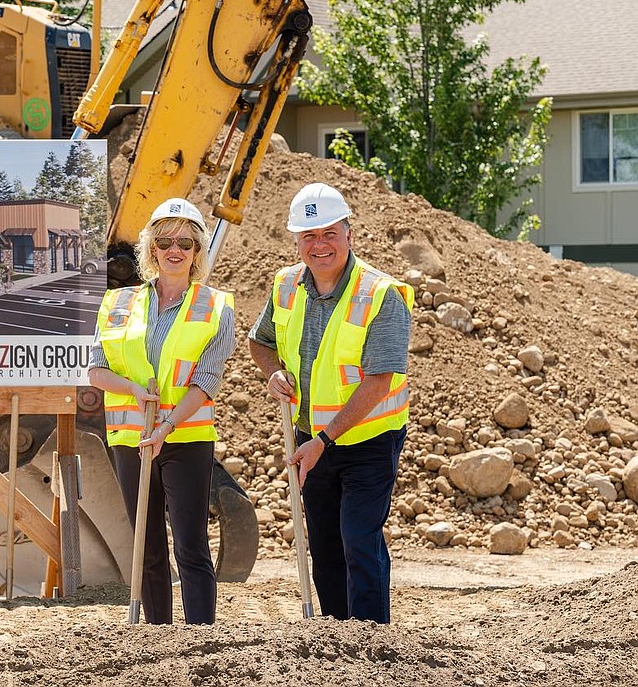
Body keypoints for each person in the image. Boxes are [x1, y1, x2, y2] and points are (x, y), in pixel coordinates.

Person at [247, 183, 413, 624]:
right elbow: (259, 342)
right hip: (309, 440)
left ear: (348, 233)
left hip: (369, 440)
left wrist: (324, 439)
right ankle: (337, 636)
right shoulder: (285, 286)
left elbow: (379, 382)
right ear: (296, 240)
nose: (319, 245)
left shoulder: (381, 295)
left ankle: (373, 640)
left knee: (359, 538)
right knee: (323, 544)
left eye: (328, 233)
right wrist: (273, 372)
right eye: (308, 236)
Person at [88, 198, 237, 624]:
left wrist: (167, 425)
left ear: (197, 251)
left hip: (185, 437)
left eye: (186, 243)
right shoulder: (118, 303)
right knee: (146, 547)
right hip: (130, 440)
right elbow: (96, 371)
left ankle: (200, 639)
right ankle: (157, 639)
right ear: (152, 248)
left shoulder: (215, 306)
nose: (175, 250)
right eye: (166, 241)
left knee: (190, 544)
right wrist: (133, 389)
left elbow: (207, 381)